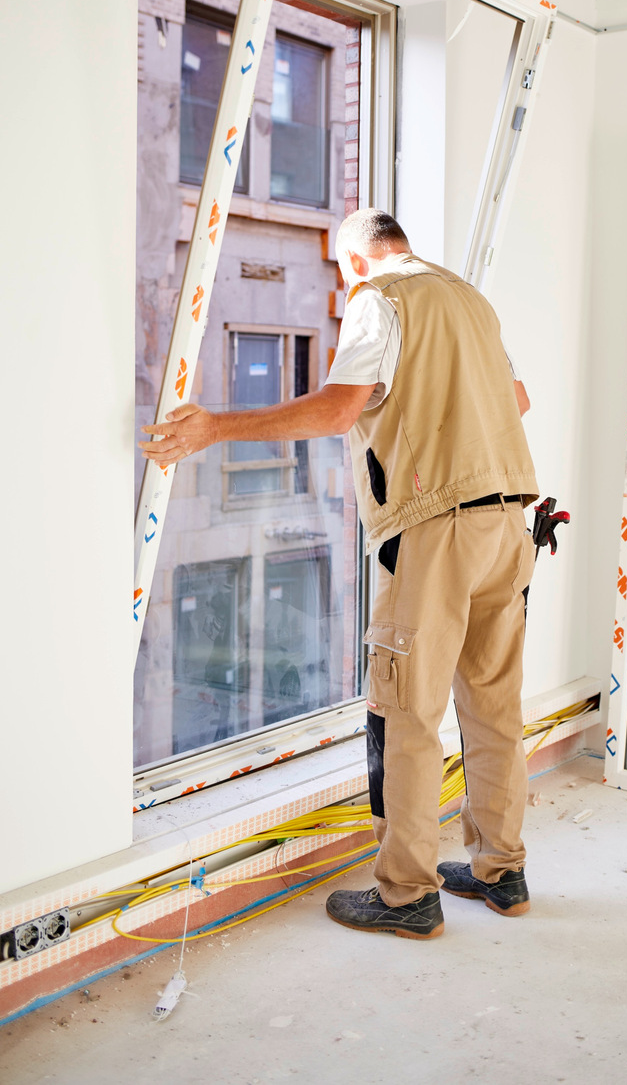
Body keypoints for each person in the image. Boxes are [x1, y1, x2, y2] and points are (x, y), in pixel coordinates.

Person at [141, 210, 539, 940]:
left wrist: (214, 430)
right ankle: (500, 871)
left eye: (337, 268)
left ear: (353, 258)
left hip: (437, 526)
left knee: (407, 716)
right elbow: (515, 403)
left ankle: (406, 896)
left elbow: (338, 408)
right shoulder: (467, 299)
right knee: (494, 709)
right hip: (508, 521)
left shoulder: (378, 299)